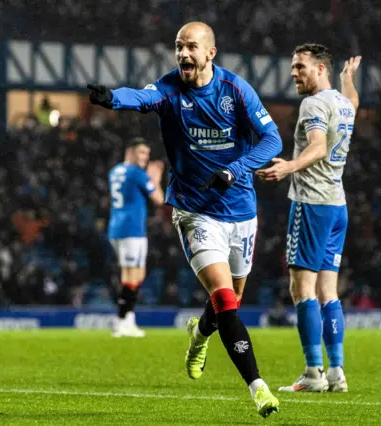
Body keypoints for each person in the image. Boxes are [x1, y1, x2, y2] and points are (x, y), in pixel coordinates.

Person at [88, 21, 281, 418]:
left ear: (210, 52)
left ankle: (199, 334)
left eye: (191, 47)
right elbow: (140, 97)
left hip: (241, 212)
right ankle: (258, 387)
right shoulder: (169, 88)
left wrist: (237, 169)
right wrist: (111, 98)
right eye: (178, 47)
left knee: (232, 299)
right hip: (195, 212)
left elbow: (273, 140)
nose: (183, 54)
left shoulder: (236, 90)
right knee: (226, 301)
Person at [257, 45, 361, 393]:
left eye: (299, 66)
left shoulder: (313, 104)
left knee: (301, 290)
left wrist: (288, 166)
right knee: (328, 291)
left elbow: (317, 146)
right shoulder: (342, 103)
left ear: (319, 69)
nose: (293, 73)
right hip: (337, 206)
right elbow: (353, 107)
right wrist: (348, 81)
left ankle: (313, 372)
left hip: (312, 203)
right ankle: (337, 372)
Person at [108, 137, 164, 337]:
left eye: (147, 154)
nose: (145, 157)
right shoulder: (136, 173)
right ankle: (122, 321)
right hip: (131, 229)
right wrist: (155, 179)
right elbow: (158, 199)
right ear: (130, 152)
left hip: (117, 228)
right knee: (131, 275)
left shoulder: (114, 171)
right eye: (141, 153)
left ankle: (128, 319)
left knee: (137, 273)